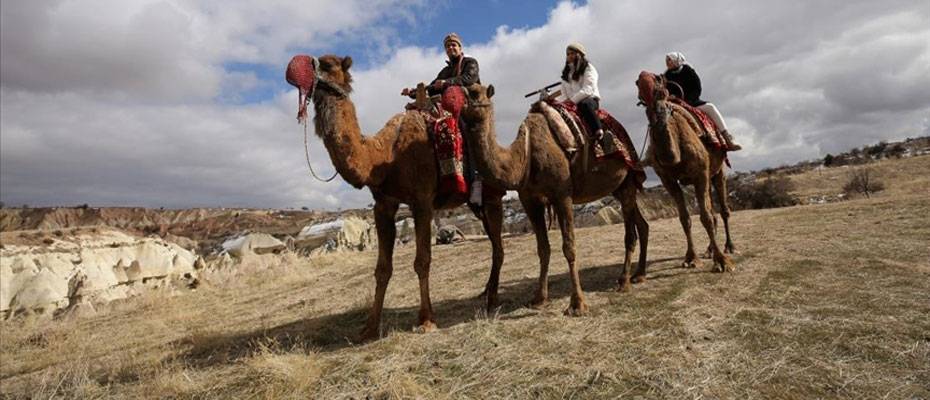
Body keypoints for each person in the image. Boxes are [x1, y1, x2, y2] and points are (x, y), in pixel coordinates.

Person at [663, 52, 742, 150]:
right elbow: (664, 89)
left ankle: (728, 139)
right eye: (667, 60)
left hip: (691, 102)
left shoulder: (689, 71)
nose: (667, 62)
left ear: (677, 60)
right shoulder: (666, 76)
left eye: (669, 60)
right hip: (674, 105)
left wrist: (687, 100)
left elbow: (697, 88)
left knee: (710, 107)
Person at [401, 33, 481, 98]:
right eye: (447, 46)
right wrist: (412, 92)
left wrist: (446, 82)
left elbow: (469, 78)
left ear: (460, 48)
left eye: (453, 45)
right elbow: (431, 88)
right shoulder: (445, 71)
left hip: (470, 102)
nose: (450, 48)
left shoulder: (470, 62)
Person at [556, 42, 605, 142]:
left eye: (572, 53)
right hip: (572, 103)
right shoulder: (566, 74)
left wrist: (572, 101)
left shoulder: (589, 68)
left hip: (589, 100)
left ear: (579, 55)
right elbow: (563, 94)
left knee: (585, 104)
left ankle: (598, 131)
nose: (569, 56)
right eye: (568, 54)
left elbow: (588, 89)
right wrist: (555, 101)